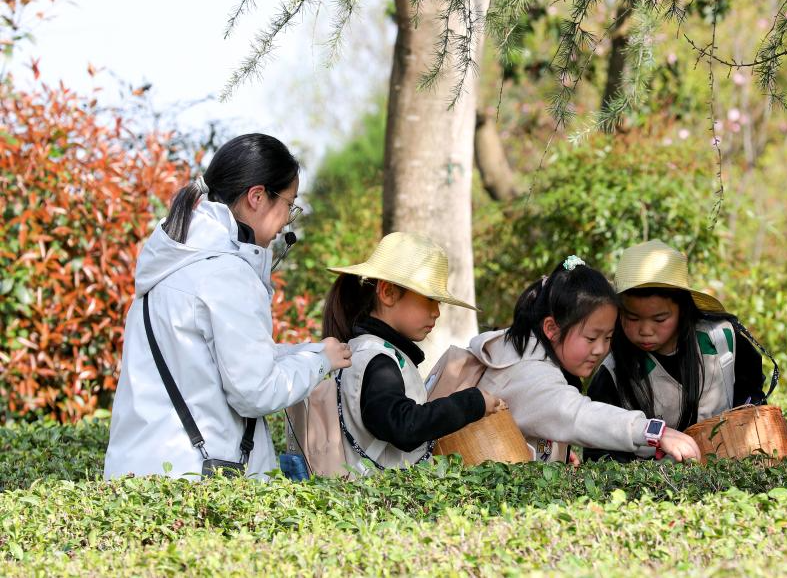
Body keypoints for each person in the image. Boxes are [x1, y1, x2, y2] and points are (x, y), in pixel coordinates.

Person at [104, 133, 352, 479]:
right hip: (195, 485)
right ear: (257, 197)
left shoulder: (172, 261)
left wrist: (308, 352)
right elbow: (256, 390)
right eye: (289, 204)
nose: (287, 222)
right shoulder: (226, 273)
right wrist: (320, 362)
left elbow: (219, 362)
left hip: (140, 476)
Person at [466, 255, 702, 464]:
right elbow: (576, 415)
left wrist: (553, 451)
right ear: (551, 328)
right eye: (591, 338)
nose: (600, 349)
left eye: (608, 337)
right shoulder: (529, 372)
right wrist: (654, 432)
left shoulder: (522, 352)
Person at [326, 232, 503, 475]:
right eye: (430, 299)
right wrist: (472, 402)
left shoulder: (364, 349)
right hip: (381, 503)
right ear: (387, 293)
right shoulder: (379, 360)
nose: (437, 313)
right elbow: (403, 426)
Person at [583, 239, 767, 463]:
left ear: (683, 310)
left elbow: (751, 391)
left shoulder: (720, 338)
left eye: (660, 319)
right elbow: (600, 448)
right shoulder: (612, 372)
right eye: (632, 318)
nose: (645, 330)